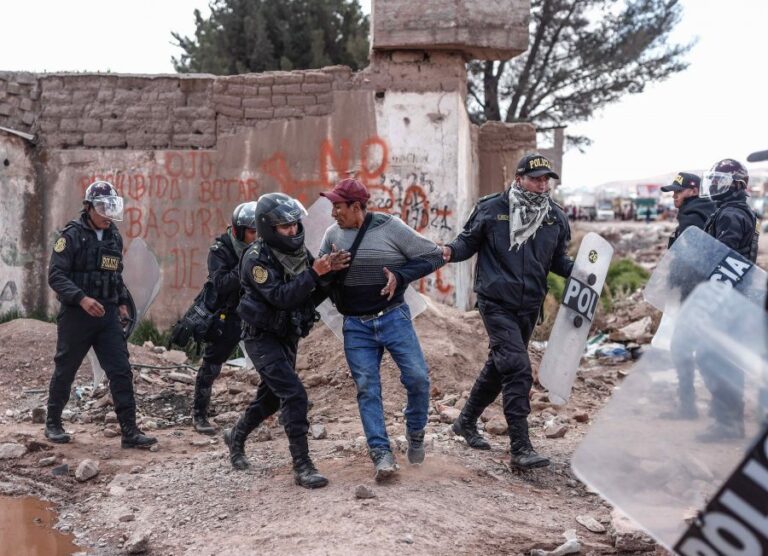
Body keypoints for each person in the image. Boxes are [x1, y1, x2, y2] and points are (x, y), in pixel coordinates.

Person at [443, 153, 573, 470]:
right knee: (516, 366)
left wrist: (584, 271)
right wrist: (445, 252)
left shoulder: (554, 217)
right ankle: (520, 446)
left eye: (546, 179)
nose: (542, 185)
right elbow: (465, 245)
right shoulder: (491, 209)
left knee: (499, 365)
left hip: (529, 306)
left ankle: (465, 421)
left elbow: (558, 261)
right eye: (536, 179)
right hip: (496, 302)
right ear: (518, 179)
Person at [318, 178, 445, 481]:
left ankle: (415, 432)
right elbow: (319, 276)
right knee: (367, 388)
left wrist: (400, 276)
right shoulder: (332, 234)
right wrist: (328, 268)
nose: (334, 213)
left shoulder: (391, 228)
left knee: (417, 378)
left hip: (393, 318)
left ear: (356, 206)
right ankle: (381, 453)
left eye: (338, 206)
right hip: (355, 326)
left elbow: (434, 255)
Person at [224, 192, 349, 489]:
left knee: (270, 399)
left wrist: (330, 273)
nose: (292, 230)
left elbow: (310, 294)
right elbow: (281, 297)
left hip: (287, 334)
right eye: (285, 226)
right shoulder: (256, 259)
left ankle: (236, 435)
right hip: (261, 337)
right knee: (294, 395)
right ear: (268, 228)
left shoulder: (298, 253)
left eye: (294, 224)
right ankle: (302, 465)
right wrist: (315, 274)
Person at [46, 181, 156, 449]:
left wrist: (121, 303)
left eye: (111, 208)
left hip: (106, 318)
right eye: (103, 209)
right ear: (89, 207)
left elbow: (115, 275)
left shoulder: (113, 237)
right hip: (77, 316)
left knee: (121, 371)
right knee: (66, 369)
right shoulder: (70, 236)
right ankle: (53, 423)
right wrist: (81, 298)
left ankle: (130, 432)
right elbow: (56, 276)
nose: (108, 215)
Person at [695, 158, 760, 441]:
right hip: (736, 295)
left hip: (727, 296)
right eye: (714, 181)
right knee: (723, 358)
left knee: (712, 356)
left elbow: (722, 257)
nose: (714, 187)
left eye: (720, 181)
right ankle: (728, 419)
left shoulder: (731, 215)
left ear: (737, 185)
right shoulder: (736, 211)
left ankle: (728, 422)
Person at [191, 201, 258, 435]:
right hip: (227, 315)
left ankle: (285, 403)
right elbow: (220, 283)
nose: (256, 237)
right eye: (252, 232)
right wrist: (247, 264)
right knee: (212, 364)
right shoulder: (220, 250)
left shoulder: (260, 247)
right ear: (239, 230)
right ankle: (199, 414)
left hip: (255, 312)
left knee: (270, 361)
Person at [659, 172, 715, 420]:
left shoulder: (693, 215)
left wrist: (677, 278)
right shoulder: (706, 211)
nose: (674, 196)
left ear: (693, 191)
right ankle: (719, 408)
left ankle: (692, 407)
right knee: (702, 349)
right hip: (706, 293)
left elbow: (691, 256)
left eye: (678, 191)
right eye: (673, 192)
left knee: (684, 348)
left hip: (695, 294)